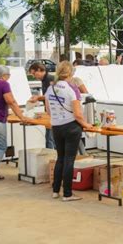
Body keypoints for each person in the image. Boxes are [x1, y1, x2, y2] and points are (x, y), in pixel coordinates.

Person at [45, 61, 93, 201]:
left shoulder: (50, 89)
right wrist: (86, 125)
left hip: (56, 126)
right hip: (71, 126)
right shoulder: (72, 89)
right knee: (69, 160)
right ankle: (67, 193)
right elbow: (78, 114)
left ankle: (55, 190)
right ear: (71, 73)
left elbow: (48, 110)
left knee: (60, 158)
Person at [28, 62, 55, 149]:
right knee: (49, 136)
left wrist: (38, 98)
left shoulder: (49, 79)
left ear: (39, 70)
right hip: (49, 111)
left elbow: (51, 96)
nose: (33, 76)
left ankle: (51, 156)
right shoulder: (44, 80)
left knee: (50, 137)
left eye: (34, 73)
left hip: (53, 112)